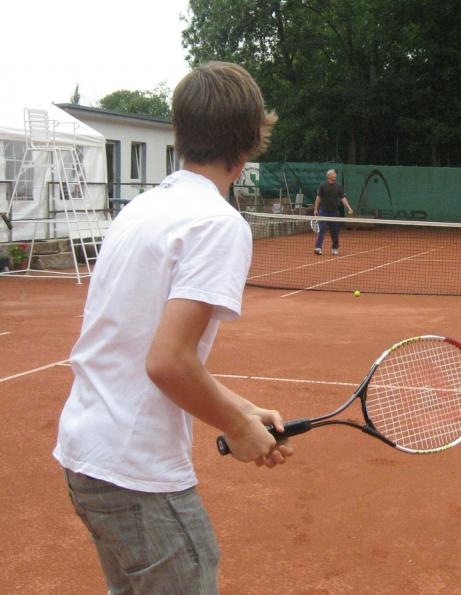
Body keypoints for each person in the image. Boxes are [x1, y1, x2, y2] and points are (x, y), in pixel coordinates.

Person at [53, 62, 293, 594]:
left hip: (87, 456)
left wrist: (241, 410)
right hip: (135, 471)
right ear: (250, 143)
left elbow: (144, 346)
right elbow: (167, 361)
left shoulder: (141, 208)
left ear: (181, 132)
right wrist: (236, 426)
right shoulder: (217, 223)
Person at [313, 169, 353, 255]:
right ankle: (318, 248)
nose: (335, 175)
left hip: (334, 212)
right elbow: (318, 198)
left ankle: (335, 248)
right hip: (323, 211)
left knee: (334, 231)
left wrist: (349, 207)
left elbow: (343, 198)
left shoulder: (338, 186)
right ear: (329, 176)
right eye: (334, 174)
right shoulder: (322, 185)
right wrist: (315, 209)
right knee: (321, 229)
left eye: (335, 174)